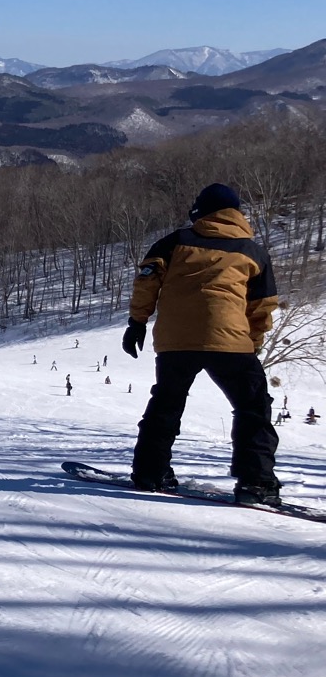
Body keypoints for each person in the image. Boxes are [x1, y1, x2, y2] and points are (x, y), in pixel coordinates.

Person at [121, 183, 280, 505]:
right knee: (253, 410)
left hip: (176, 341)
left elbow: (147, 282)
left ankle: (150, 472)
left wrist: (137, 323)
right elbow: (262, 305)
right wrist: (254, 342)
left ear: (202, 210)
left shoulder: (175, 241)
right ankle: (256, 483)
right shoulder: (253, 251)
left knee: (166, 403)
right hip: (231, 341)